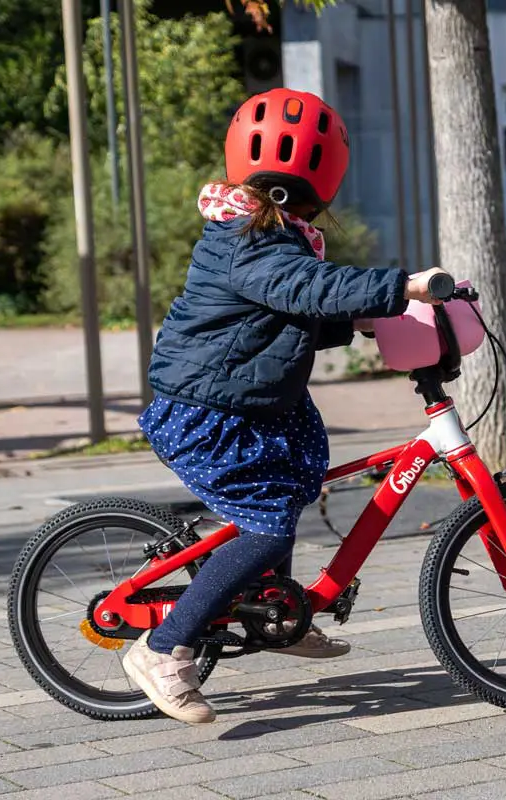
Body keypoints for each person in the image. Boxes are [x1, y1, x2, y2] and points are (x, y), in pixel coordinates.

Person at [122, 88, 447, 724]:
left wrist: (356, 320)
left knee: (299, 471)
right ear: (320, 180)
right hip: (205, 411)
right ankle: (162, 648)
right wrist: (400, 284)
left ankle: (277, 608)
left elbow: (290, 310)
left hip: (252, 401)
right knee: (267, 521)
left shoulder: (276, 237)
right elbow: (301, 287)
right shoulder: (246, 239)